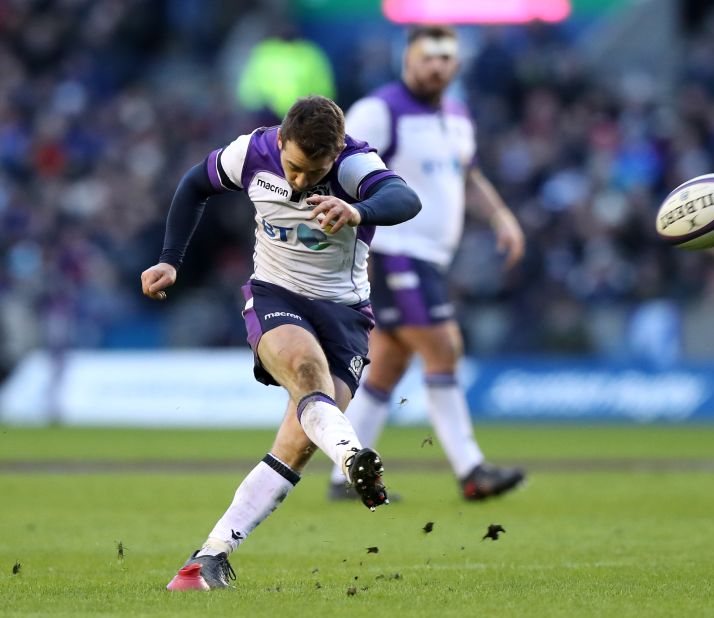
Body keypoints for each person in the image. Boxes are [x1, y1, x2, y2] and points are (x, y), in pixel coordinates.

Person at [141, 95, 421, 590]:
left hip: (345, 314)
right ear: (281, 140)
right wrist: (171, 259)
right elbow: (193, 186)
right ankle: (355, 457)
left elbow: (405, 199)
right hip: (276, 294)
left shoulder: (355, 164)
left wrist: (356, 210)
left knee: (297, 443)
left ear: (334, 156)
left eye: (311, 173)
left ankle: (209, 557)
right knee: (308, 376)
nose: (297, 182)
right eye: (291, 167)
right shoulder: (251, 152)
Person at [327, 25, 527, 502]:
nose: (436, 66)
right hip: (396, 251)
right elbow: (337, 170)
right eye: (426, 57)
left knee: (388, 366)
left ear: (456, 66)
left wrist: (501, 216)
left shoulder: (457, 116)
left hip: (431, 258)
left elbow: (469, 174)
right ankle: (471, 470)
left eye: (445, 58)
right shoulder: (379, 110)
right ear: (407, 62)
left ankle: (344, 476)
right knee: (444, 348)